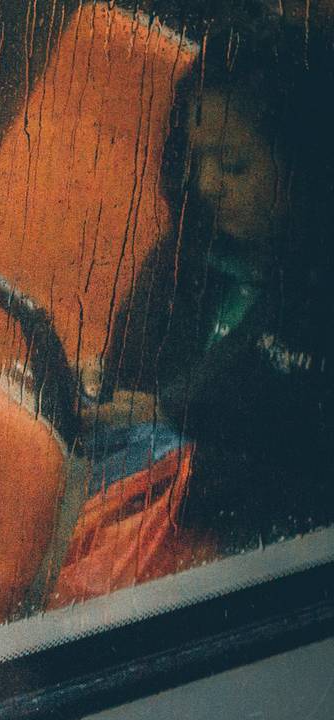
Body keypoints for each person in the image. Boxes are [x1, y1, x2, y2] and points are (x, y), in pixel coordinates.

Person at [88, 29, 334, 551]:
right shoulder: (186, 257)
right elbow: (126, 373)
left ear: (305, 169)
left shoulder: (314, 307)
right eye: (196, 160)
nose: (206, 185)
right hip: (131, 519)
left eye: (233, 166)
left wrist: (171, 427)